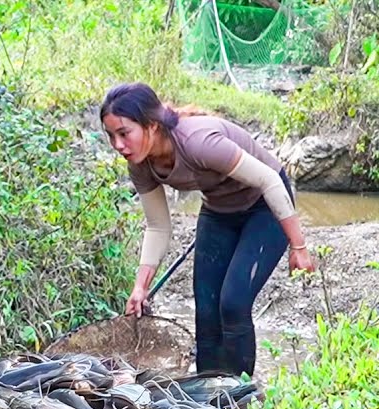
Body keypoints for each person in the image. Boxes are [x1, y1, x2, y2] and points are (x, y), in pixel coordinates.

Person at [99, 82, 316, 378]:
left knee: (233, 303)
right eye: (111, 136)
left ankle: (239, 393)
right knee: (206, 310)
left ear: (151, 125)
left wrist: (298, 246)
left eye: (124, 133)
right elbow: (158, 226)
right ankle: (207, 394)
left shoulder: (198, 142)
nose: (117, 145)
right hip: (219, 210)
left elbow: (269, 180)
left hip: (265, 204)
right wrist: (140, 286)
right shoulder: (140, 164)